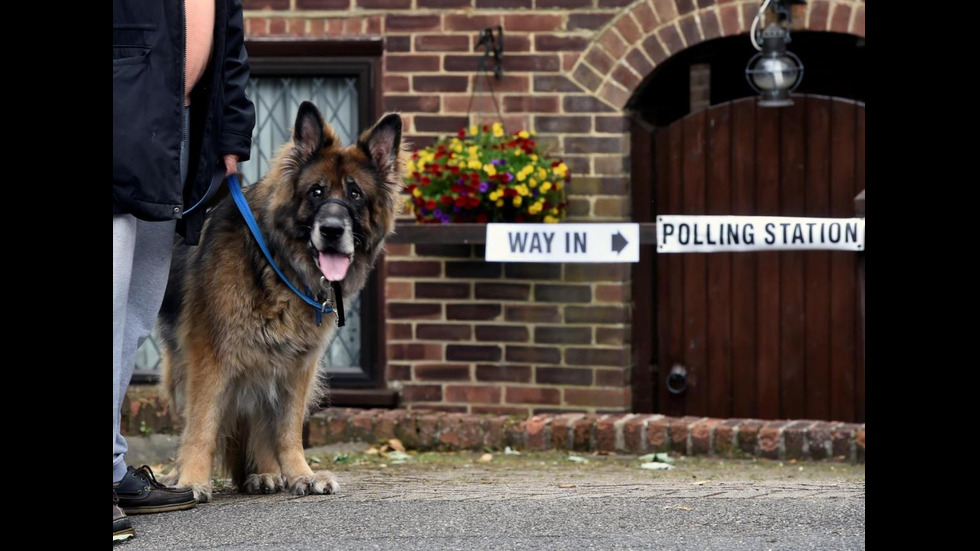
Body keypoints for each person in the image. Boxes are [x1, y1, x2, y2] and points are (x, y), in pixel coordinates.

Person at [113, 0, 255, 542]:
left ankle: (113, 466)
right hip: (123, 129)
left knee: (133, 317)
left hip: (173, 142)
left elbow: (229, 50)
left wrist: (231, 136)